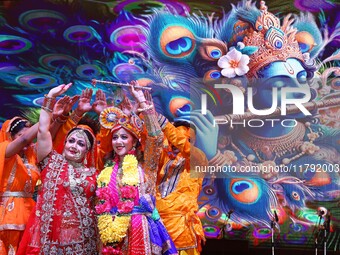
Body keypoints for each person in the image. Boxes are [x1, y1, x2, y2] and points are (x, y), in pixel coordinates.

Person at [17, 83, 101, 255]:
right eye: (71, 141)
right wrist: (49, 97)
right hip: (49, 246)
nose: (74, 146)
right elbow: (42, 131)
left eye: (80, 144)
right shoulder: (51, 162)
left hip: (85, 245)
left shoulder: (94, 175)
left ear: (87, 151)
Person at [96, 81, 178, 255]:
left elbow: (155, 139)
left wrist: (141, 101)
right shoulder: (108, 168)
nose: (118, 141)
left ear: (134, 141)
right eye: (115, 137)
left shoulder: (145, 165)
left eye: (124, 137)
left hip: (140, 230)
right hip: (112, 232)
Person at [156, 118, 207, 255]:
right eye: (175, 138)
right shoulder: (165, 158)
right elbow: (149, 143)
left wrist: (164, 124)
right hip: (158, 223)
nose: (178, 143)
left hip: (181, 227)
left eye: (188, 140)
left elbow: (184, 146)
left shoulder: (199, 159)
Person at [0, 117, 40, 254]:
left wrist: (61, 116)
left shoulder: (31, 156)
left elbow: (51, 138)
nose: (28, 140)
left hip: (30, 214)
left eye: (30, 136)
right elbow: (24, 140)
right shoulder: (4, 150)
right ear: (11, 136)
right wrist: (49, 113)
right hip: (8, 217)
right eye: (21, 135)